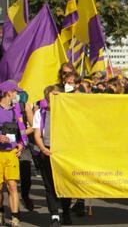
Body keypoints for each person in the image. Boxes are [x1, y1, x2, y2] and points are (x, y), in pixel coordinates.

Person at [33, 84, 71, 227]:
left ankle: (66, 212)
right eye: (52, 96)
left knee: (65, 183)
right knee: (49, 186)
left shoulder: (66, 112)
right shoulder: (40, 113)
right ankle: (54, 216)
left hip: (63, 150)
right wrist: (43, 149)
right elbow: (37, 134)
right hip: (47, 150)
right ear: (47, 98)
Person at [0, 80, 26, 227]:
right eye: (15, 92)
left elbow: (21, 133)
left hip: (12, 153)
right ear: (8, 93)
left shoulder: (16, 111)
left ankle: (15, 218)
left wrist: (21, 145)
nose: (17, 94)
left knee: (12, 186)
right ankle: (1, 212)